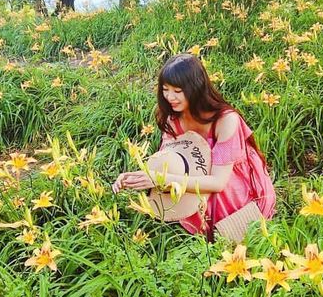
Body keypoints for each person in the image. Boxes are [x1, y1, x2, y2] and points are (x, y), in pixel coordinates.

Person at [112, 53, 276, 240]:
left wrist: (159, 179)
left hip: (227, 180)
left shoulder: (226, 120)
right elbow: (168, 161)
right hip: (191, 174)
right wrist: (134, 178)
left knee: (230, 233)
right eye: (165, 89)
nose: (169, 97)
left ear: (195, 88)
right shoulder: (172, 117)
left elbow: (218, 182)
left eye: (177, 90)